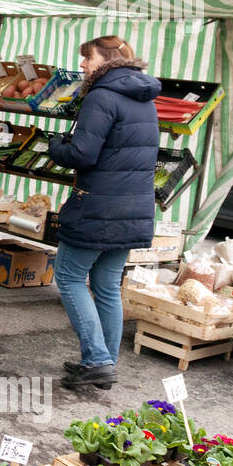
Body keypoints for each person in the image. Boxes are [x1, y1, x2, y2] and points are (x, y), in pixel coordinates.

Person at [48, 35, 160, 390]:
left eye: (87, 58)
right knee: (107, 285)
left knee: (67, 276)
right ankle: (105, 364)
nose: (82, 65)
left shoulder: (101, 96)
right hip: (132, 206)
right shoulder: (144, 98)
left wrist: (55, 147)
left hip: (98, 206)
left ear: (106, 60)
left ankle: (96, 360)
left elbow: (83, 154)